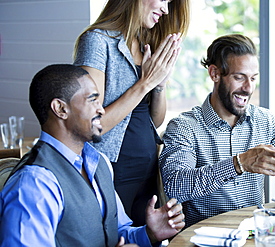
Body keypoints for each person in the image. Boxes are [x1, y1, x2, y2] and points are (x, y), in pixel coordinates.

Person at [159, 34, 275, 228]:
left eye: (253, 78)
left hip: (255, 236)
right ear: (215, 74)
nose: (248, 88)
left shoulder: (265, 121)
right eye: (239, 77)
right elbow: (175, 186)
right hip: (206, 239)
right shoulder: (184, 126)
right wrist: (239, 163)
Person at [0, 64, 185, 247]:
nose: (102, 109)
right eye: (92, 100)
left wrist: (149, 233)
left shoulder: (99, 163)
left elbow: (117, 233)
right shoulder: (34, 183)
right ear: (60, 109)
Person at [73, 0, 190, 227]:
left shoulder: (144, 43)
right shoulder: (98, 41)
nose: (166, 9)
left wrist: (159, 85)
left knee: (146, 239)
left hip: (147, 171)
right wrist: (145, 83)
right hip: (113, 172)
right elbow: (90, 123)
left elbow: (152, 120)